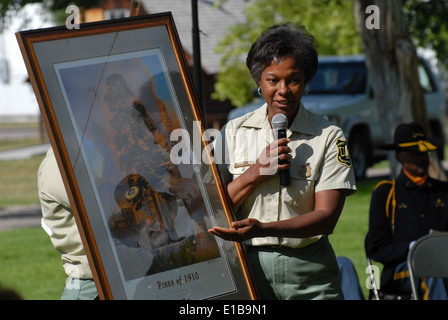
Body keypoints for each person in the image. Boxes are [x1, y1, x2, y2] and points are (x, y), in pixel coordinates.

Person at [208, 23, 357, 300]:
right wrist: (256, 172)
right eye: (273, 80)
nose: (283, 90)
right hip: (246, 269)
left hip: (309, 272)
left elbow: (326, 219)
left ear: (307, 81)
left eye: (294, 79)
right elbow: (214, 208)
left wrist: (264, 228)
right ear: (259, 81)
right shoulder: (233, 131)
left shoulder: (328, 136)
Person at [365, 122, 448, 299]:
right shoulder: (386, 192)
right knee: (430, 272)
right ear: (398, 157)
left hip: (444, 263)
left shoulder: (444, 191)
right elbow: (376, 247)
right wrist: (413, 248)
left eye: (424, 152)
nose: (422, 158)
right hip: (401, 270)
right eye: (414, 153)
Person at [38, 147, 98, 300]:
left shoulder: (89, 152)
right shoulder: (58, 164)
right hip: (91, 285)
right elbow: (101, 208)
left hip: (118, 278)